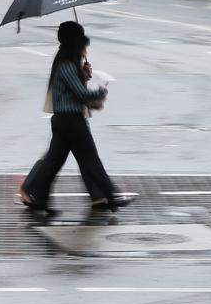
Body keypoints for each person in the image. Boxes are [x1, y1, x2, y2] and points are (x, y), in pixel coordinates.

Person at [18, 21, 134, 216]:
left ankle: (39, 199)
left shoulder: (68, 65)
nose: (85, 49)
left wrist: (85, 76)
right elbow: (81, 94)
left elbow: (75, 91)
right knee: (91, 159)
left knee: (53, 162)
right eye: (83, 45)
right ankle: (112, 194)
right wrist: (100, 91)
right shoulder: (67, 67)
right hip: (71, 122)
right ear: (76, 44)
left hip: (64, 121)